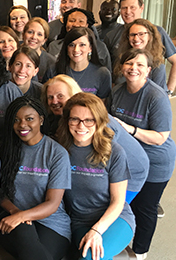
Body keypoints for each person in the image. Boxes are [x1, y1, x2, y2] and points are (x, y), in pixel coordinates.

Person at [109, 48, 176, 259]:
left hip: (156, 162)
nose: (133, 68)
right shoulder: (117, 91)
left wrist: (130, 129)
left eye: (139, 65)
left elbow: (161, 137)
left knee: (145, 208)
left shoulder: (156, 96)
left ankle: (140, 251)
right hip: (129, 161)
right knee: (125, 205)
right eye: (129, 63)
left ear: (148, 70)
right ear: (122, 67)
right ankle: (122, 243)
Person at [42, 74, 149, 204]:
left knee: (107, 207)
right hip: (97, 168)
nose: (54, 101)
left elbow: (105, 162)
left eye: (60, 96)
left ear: (73, 95)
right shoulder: (60, 119)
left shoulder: (97, 122)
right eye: (50, 97)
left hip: (132, 171)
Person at [56, 93, 135, 260]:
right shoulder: (60, 150)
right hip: (79, 221)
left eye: (89, 120)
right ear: (67, 121)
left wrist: (97, 229)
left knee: (92, 257)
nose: (81, 125)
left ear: (98, 121)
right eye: (74, 119)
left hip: (114, 219)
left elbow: (118, 201)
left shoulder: (114, 152)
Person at [0, 96, 71, 260]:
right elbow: (0, 193)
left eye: (29, 119)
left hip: (51, 223)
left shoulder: (57, 153)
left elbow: (52, 204)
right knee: (24, 231)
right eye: (16, 120)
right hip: (11, 220)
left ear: (41, 120)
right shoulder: (6, 149)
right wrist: (16, 213)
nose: (22, 125)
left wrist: (23, 216)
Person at [104, 0, 176, 94]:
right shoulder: (111, 36)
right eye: (124, 8)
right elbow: (107, 70)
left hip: (150, 97)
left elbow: (175, 61)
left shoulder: (158, 32)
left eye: (132, 7)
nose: (128, 12)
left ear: (141, 8)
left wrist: (169, 91)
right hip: (121, 95)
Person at [44, 27, 112, 99]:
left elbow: (102, 106)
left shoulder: (102, 74)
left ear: (90, 48)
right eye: (71, 45)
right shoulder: (53, 70)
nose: (76, 50)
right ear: (66, 48)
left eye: (82, 45)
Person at [47, 8, 112, 71]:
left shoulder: (100, 47)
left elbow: (107, 71)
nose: (76, 24)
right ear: (65, 24)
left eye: (81, 21)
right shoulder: (54, 46)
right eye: (72, 21)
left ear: (87, 25)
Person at [113, 18, 167, 89]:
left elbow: (159, 95)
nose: (136, 38)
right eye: (132, 35)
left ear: (150, 36)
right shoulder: (122, 58)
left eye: (141, 34)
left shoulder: (157, 66)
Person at [22, 17, 56, 81]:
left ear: (44, 40)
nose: (34, 37)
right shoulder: (13, 56)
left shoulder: (51, 62)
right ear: (23, 34)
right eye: (30, 32)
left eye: (39, 34)